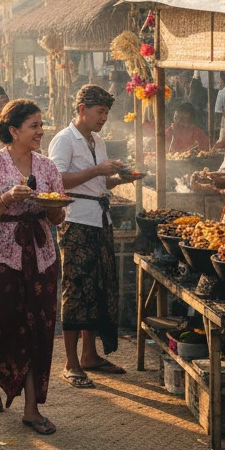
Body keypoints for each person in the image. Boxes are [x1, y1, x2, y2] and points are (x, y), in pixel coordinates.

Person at [0, 100, 66, 434]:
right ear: (13, 131)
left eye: (41, 124)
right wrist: (7, 199)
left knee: (38, 328)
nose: (41, 131)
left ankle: (32, 409)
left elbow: (58, 213)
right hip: (0, 253)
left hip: (42, 254)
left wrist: (54, 208)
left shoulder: (47, 167)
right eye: (34, 125)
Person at [49, 84, 140, 384]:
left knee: (97, 288)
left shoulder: (97, 141)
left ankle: (90, 355)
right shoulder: (64, 140)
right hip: (75, 221)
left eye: (106, 113)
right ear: (82, 109)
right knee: (76, 290)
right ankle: (71, 362)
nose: (103, 118)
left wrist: (118, 178)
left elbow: (99, 184)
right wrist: (99, 170)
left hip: (100, 219)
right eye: (99, 112)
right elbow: (58, 180)